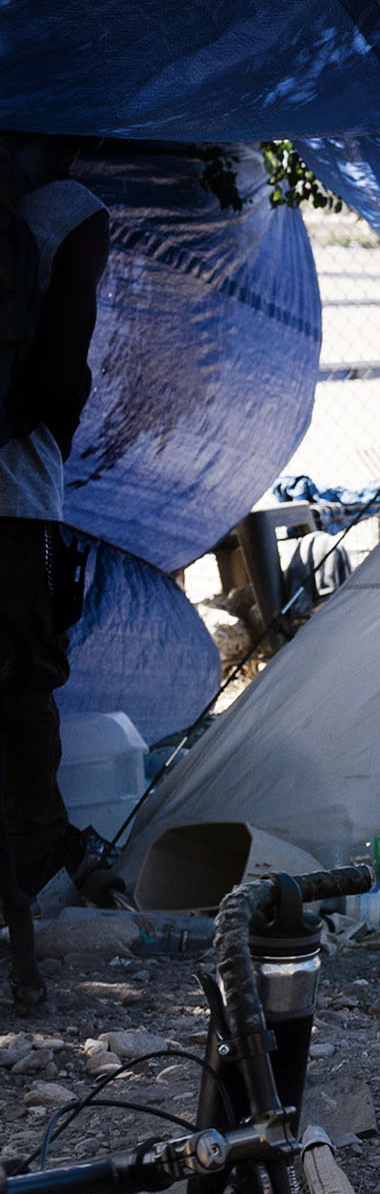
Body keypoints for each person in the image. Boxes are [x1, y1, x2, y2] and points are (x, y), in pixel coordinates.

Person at [0, 134, 110, 938]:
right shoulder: (72, 213)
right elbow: (58, 372)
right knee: (23, 676)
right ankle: (33, 867)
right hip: (15, 493)